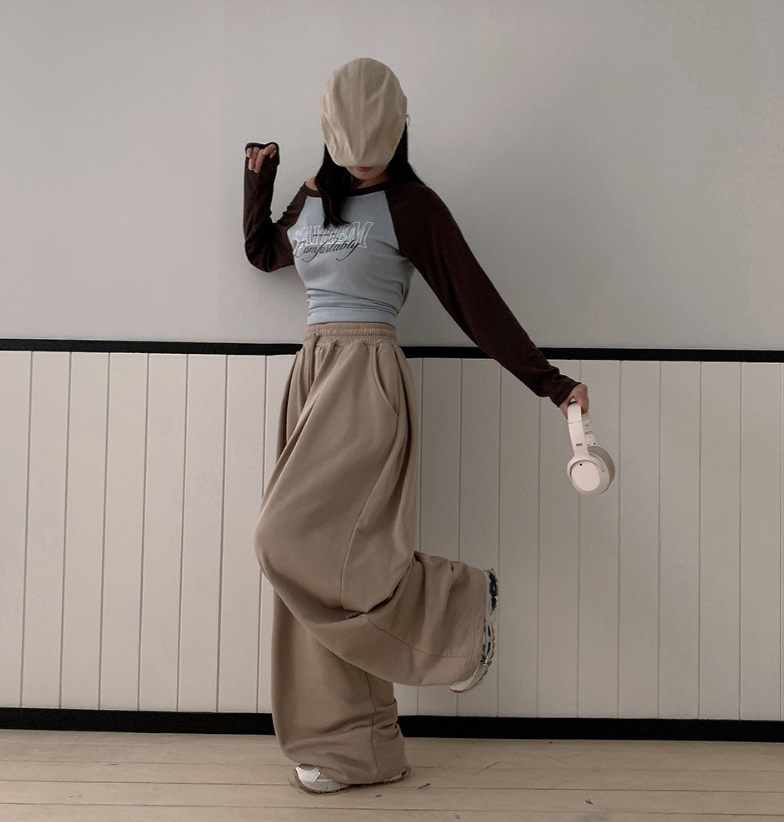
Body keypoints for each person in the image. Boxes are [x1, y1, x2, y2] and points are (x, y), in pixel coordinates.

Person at [244, 58, 589, 795]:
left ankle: (457, 607)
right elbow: (267, 254)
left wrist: (549, 382)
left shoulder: (413, 205)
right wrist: (259, 184)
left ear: (399, 130)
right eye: (351, 146)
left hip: (367, 379)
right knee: (324, 569)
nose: (364, 159)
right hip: (311, 374)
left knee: (286, 540)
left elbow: (474, 301)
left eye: (376, 144)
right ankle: (356, 750)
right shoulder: (313, 197)